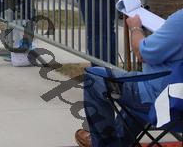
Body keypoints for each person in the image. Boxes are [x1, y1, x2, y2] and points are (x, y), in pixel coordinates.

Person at [75, 8, 183, 147]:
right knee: (132, 84)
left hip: (169, 104)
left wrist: (135, 27)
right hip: (171, 96)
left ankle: (104, 144)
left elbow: (143, 53)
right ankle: (118, 142)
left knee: (94, 77)